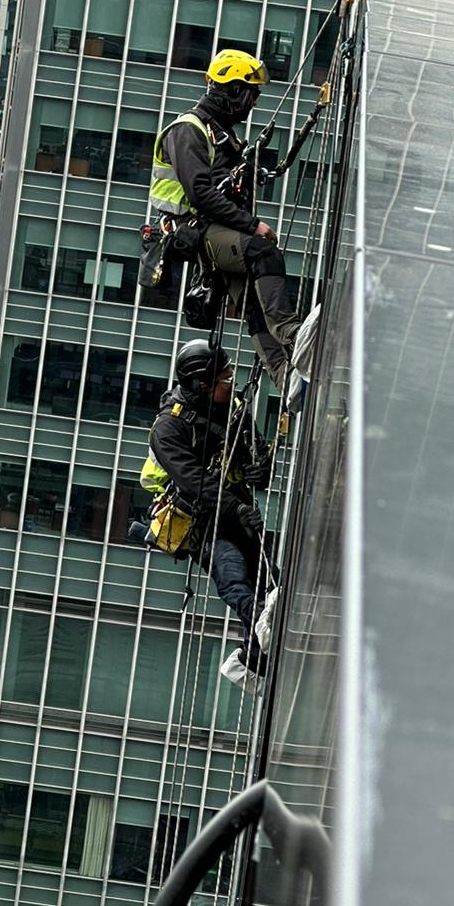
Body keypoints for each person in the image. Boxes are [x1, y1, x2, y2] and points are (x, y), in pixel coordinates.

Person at [150, 49, 307, 390]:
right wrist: (253, 226)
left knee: (254, 304)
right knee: (263, 252)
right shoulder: (188, 130)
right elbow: (200, 194)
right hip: (197, 230)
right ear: (232, 91)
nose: (253, 103)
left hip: (214, 229)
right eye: (250, 94)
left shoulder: (220, 134)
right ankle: (293, 334)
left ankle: (286, 379)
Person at [140, 339, 277, 690]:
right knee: (234, 576)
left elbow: (257, 453)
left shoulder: (232, 408)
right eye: (224, 377)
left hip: (237, 511)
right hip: (201, 522)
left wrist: (260, 471)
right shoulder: (168, 429)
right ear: (202, 385)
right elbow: (194, 481)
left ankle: (253, 658)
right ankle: (262, 627)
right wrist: (237, 507)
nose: (232, 379)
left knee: (270, 581)